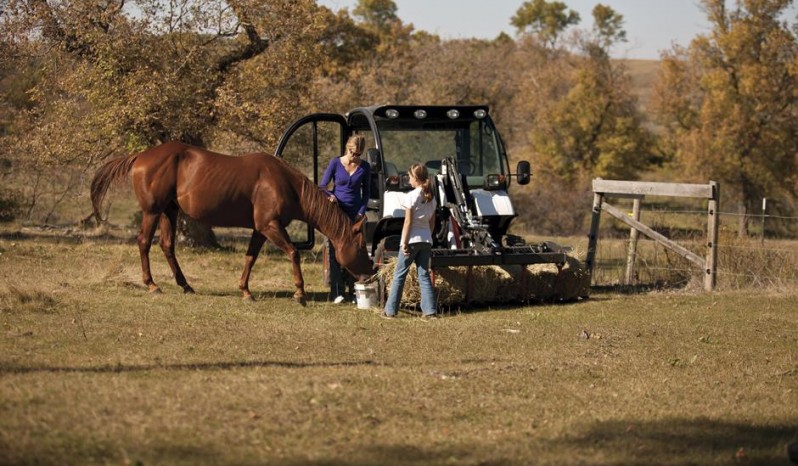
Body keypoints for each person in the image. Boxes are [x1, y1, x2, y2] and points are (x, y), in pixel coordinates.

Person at [319, 134, 371, 303]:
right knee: (335, 252)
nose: (354, 157)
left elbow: (367, 193)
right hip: (336, 215)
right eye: (352, 153)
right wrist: (331, 195)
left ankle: (355, 292)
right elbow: (322, 186)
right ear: (347, 148)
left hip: (355, 215)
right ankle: (337, 292)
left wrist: (361, 212)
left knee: (355, 253)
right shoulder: (335, 163)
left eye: (358, 154)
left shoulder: (365, 167)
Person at [384, 163, 437, 318]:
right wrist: (428, 236)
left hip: (412, 239)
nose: (408, 180)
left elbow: (408, 222)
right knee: (424, 275)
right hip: (426, 240)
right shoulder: (431, 198)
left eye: (409, 177)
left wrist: (404, 242)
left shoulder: (411, 196)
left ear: (416, 178)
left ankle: (390, 311)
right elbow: (432, 222)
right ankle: (430, 311)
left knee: (399, 275)